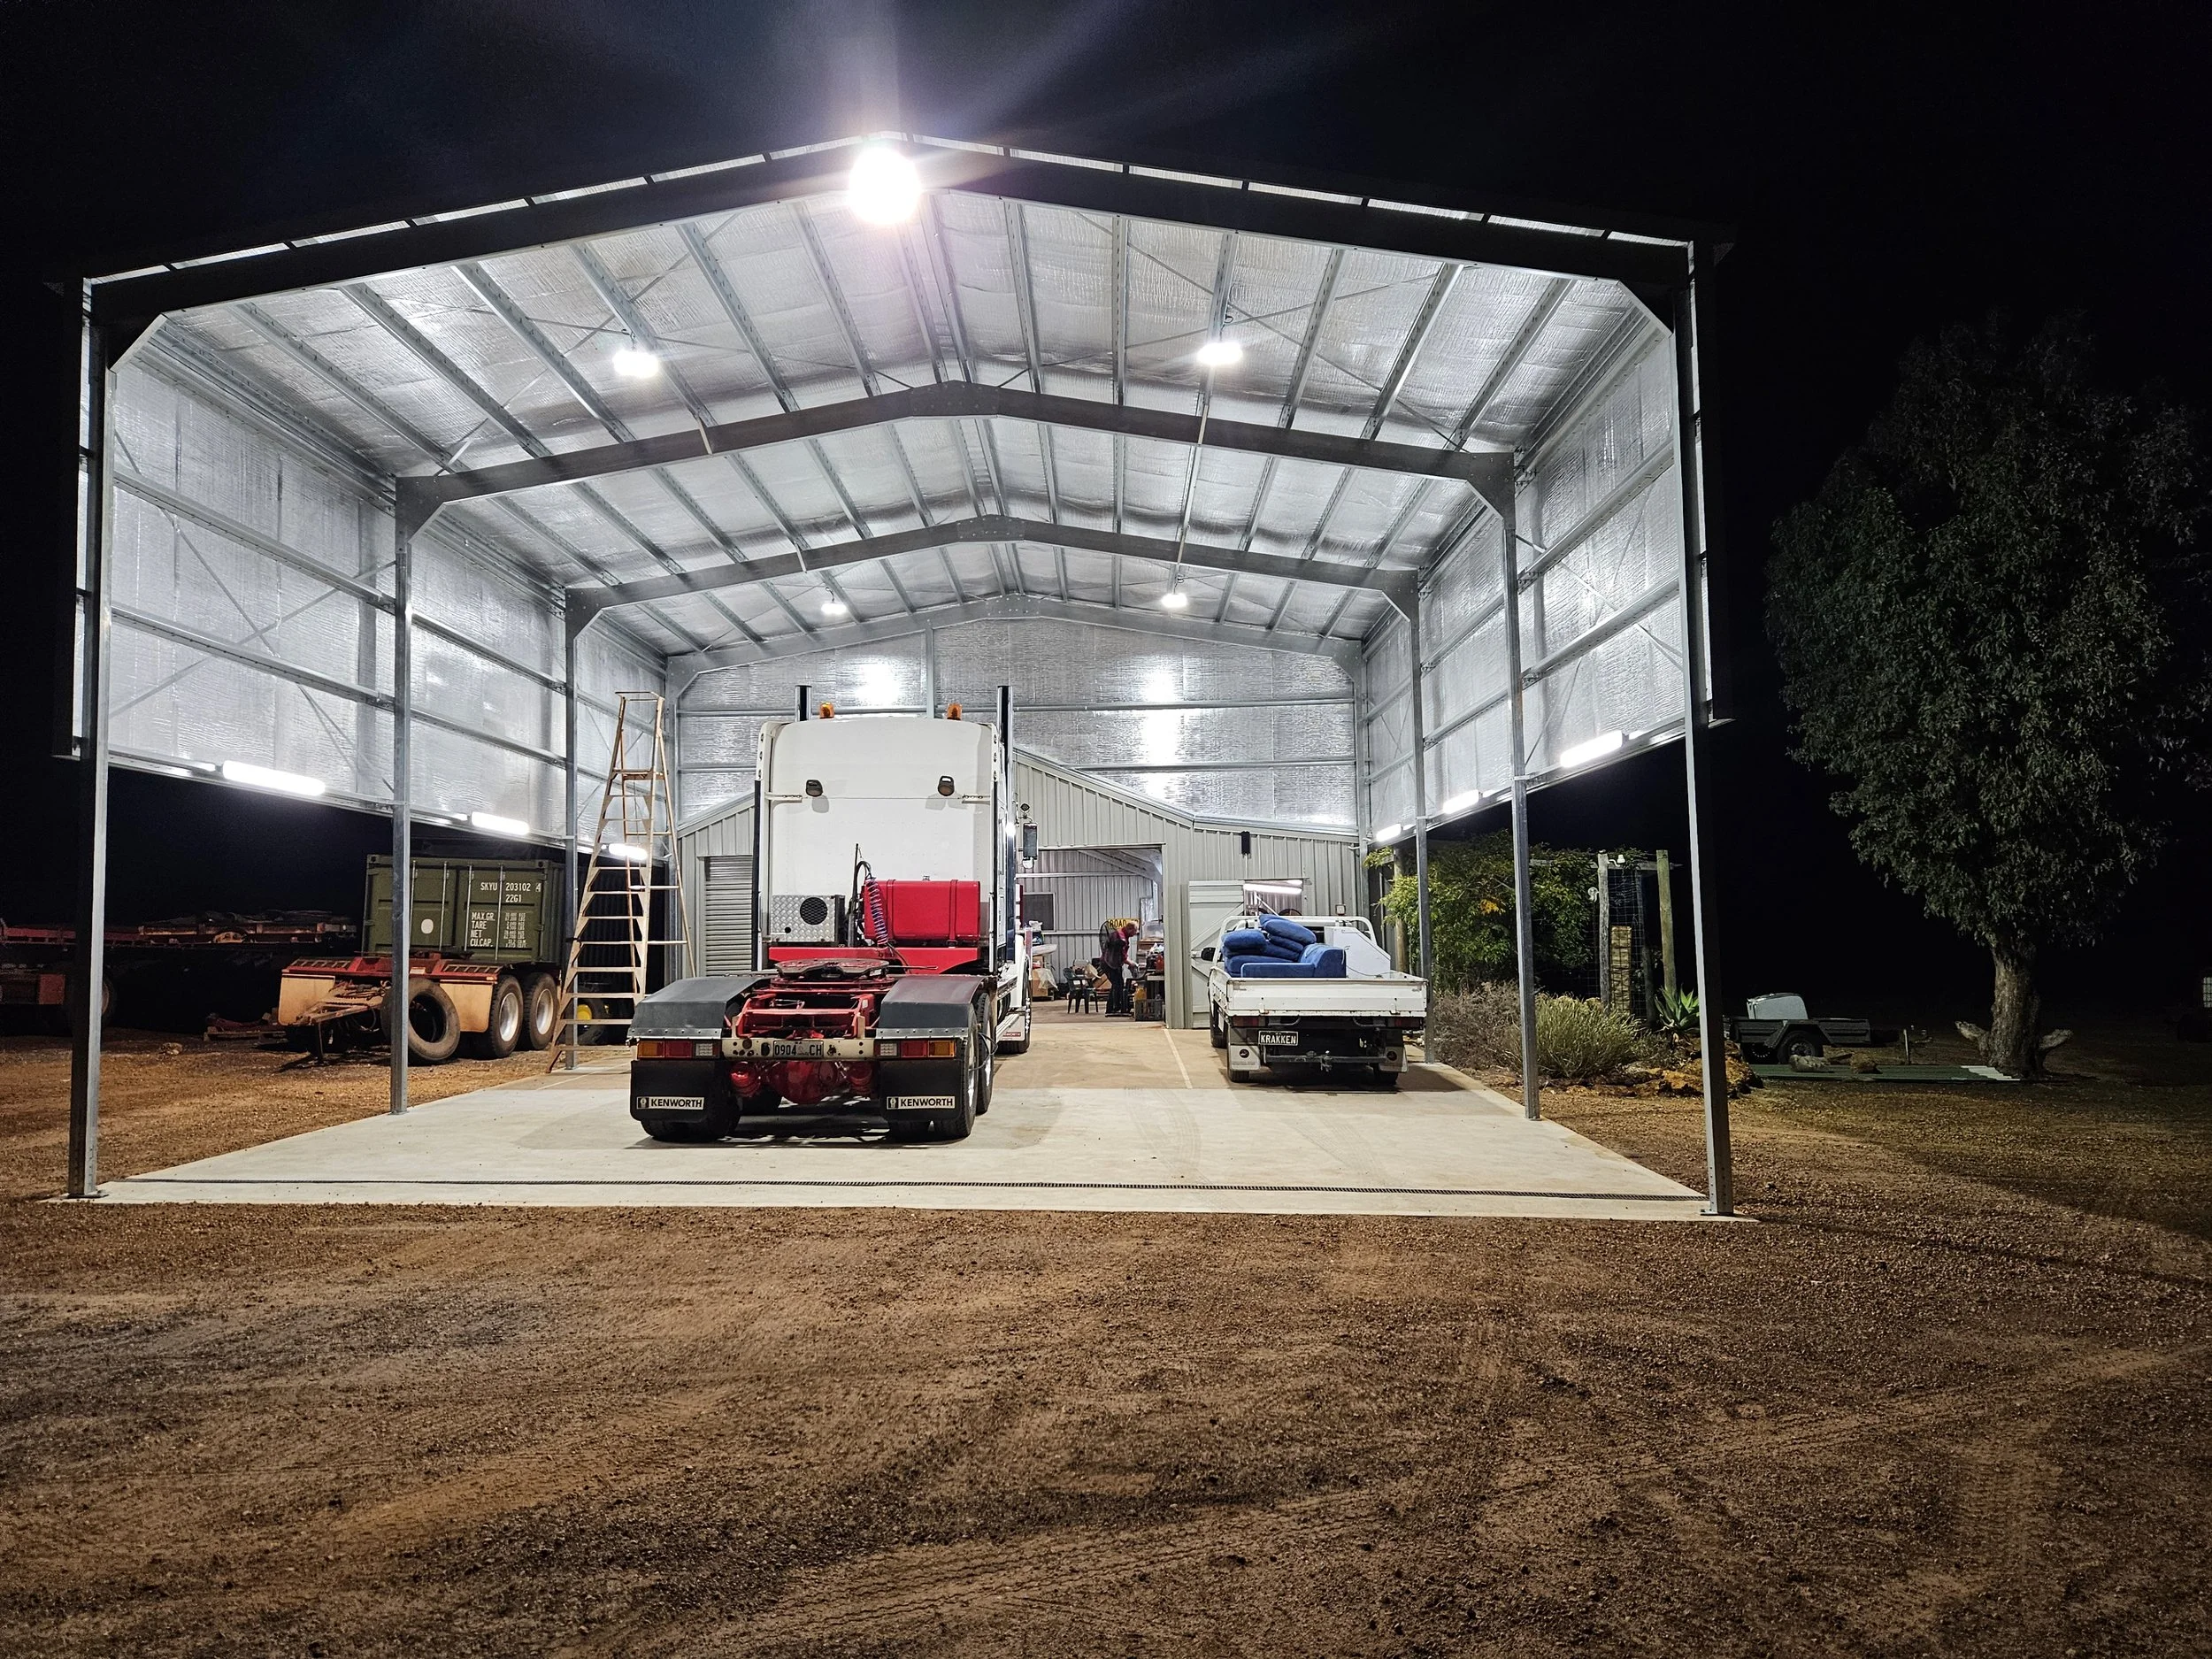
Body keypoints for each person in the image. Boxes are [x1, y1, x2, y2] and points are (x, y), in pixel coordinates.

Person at [1100, 920, 1132, 1016]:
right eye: (1135, 931)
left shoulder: (1121, 935)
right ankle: (1113, 1008)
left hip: (1112, 963)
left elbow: (1123, 954)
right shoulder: (1120, 938)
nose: (1136, 933)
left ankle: (1114, 1008)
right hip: (1109, 964)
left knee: (1118, 984)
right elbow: (1121, 955)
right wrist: (1131, 963)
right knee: (1117, 984)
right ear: (1130, 929)